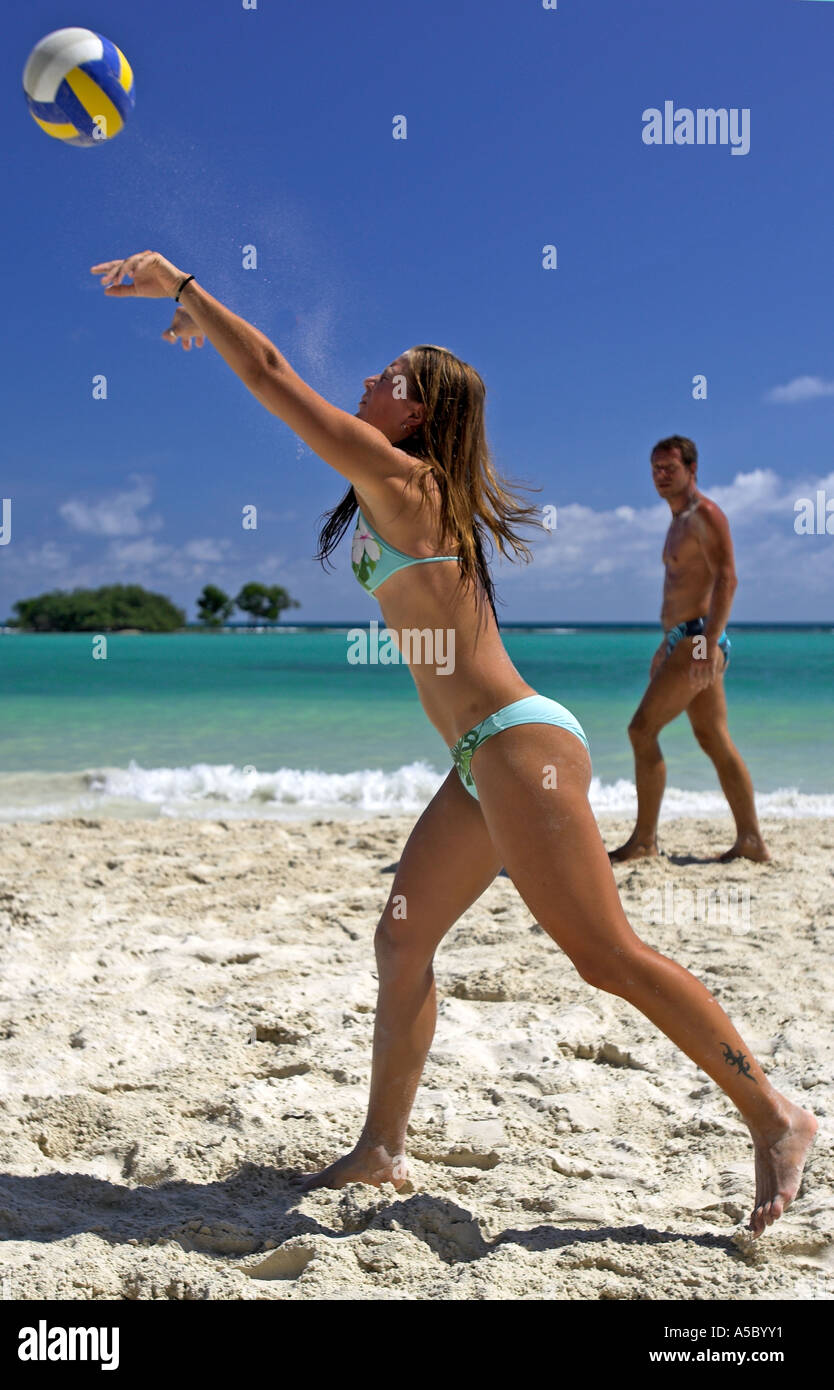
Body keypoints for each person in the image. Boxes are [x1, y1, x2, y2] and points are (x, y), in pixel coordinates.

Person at [91, 252, 815, 1236]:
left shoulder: (405, 479)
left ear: (420, 411)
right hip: (480, 759)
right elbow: (268, 377)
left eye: (386, 378)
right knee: (400, 937)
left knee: (605, 955)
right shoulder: (397, 483)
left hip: (522, 748)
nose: (364, 382)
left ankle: (772, 1114)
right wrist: (199, 325)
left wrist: (184, 289)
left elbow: (268, 375)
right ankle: (383, 1149)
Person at [610, 437, 770, 865]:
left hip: (700, 639)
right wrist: (670, 641)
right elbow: (686, 588)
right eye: (655, 468)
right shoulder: (677, 520)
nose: (660, 475)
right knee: (713, 737)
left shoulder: (706, 515)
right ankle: (751, 840)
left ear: (692, 470)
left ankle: (644, 841)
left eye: (669, 468)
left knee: (641, 730)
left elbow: (727, 579)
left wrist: (705, 644)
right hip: (686, 638)